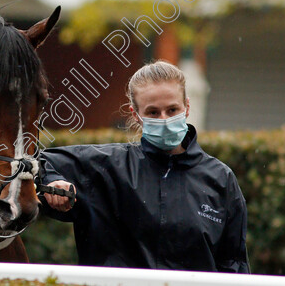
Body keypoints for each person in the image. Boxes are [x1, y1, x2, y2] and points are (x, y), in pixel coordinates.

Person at [40, 60, 250, 272]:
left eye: (172, 109)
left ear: (186, 107)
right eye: (153, 112)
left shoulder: (221, 179)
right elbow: (31, 163)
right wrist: (52, 181)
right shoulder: (104, 166)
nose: (165, 119)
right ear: (136, 115)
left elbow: (234, 264)